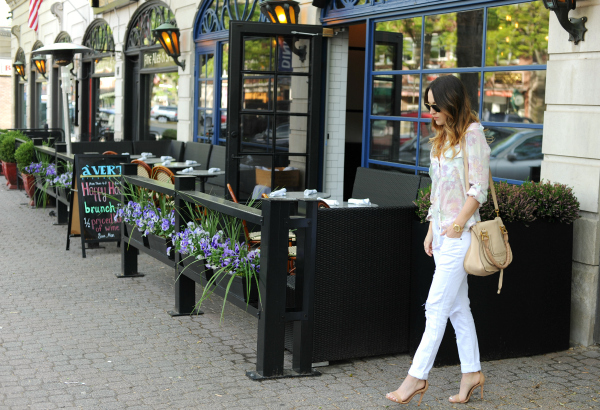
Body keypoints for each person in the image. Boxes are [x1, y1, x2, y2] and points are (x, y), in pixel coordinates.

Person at [386, 75, 490, 405]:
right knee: (459, 309)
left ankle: (416, 378)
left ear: (452, 103)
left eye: (435, 106)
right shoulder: (442, 138)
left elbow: (478, 189)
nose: (430, 111)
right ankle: (472, 373)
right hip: (444, 234)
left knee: (435, 307)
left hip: (461, 236)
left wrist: (457, 225)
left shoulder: (473, 135)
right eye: (427, 105)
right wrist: (432, 230)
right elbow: (437, 193)